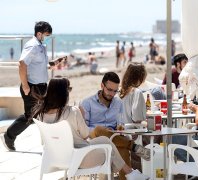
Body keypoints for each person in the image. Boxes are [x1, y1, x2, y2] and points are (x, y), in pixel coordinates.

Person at [32, 77, 149, 180]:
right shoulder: (72, 111)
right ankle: (129, 173)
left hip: (56, 158)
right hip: (80, 158)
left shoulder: (41, 114)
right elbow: (85, 135)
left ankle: (130, 173)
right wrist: (81, 116)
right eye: (69, 90)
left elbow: (44, 141)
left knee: (106, 141)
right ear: (64, 93)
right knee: (111, 151)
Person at [1, 21, 64, 151]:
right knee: (30, 116)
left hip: (41, 87)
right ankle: (9, 136)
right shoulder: (32, 46)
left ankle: (51, 143)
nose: (46, 38)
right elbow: (22, 64)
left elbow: (42, 65)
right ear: (39, 33)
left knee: (44, 112)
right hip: (31, 87)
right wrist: (25, 86)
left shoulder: (40, 46)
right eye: (46, 35)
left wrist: (55, 63)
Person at [79, 72, 150, 180]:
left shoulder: (118, 103)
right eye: (109, 90)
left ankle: (127, 176)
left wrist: (120, 127)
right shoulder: (87, 102)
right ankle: (133, 146)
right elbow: (83, 129)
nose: (112, 94)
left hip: (113, 137)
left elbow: (120, 123)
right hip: (94, 138)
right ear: (102, 86)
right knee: (99, 130)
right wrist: (102, 130)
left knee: (121, 146)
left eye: (115, 91)